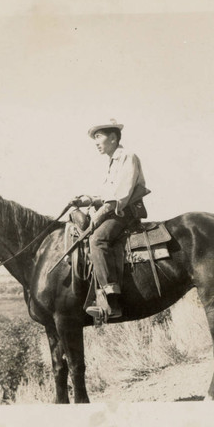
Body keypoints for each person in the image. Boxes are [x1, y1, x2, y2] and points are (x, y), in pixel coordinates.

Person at [71, 120, 149, 319]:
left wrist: (99, 214)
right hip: (113, 210)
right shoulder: (112, 162)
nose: (96, 142)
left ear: (113, 137)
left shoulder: (127, 157)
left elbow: (119, 196)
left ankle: (111, 300)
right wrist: (87, 200)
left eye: (99, 137)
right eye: (94, 138)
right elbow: (106, 194)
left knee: (97, 240)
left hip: (124, 212)